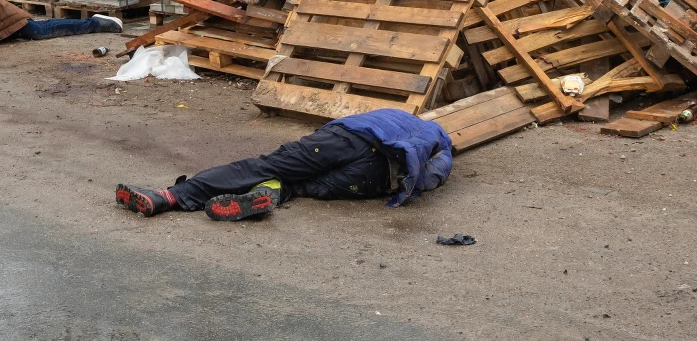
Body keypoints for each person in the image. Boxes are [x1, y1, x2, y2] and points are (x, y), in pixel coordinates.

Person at [115, 109, 452, 221]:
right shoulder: (442, 148)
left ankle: (169, 197)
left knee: (265, 166)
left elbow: (346, 122)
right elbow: (427, 180)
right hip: (376, 174)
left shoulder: (398, 116)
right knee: (300, 186)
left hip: (341, 140)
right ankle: (267, 199)